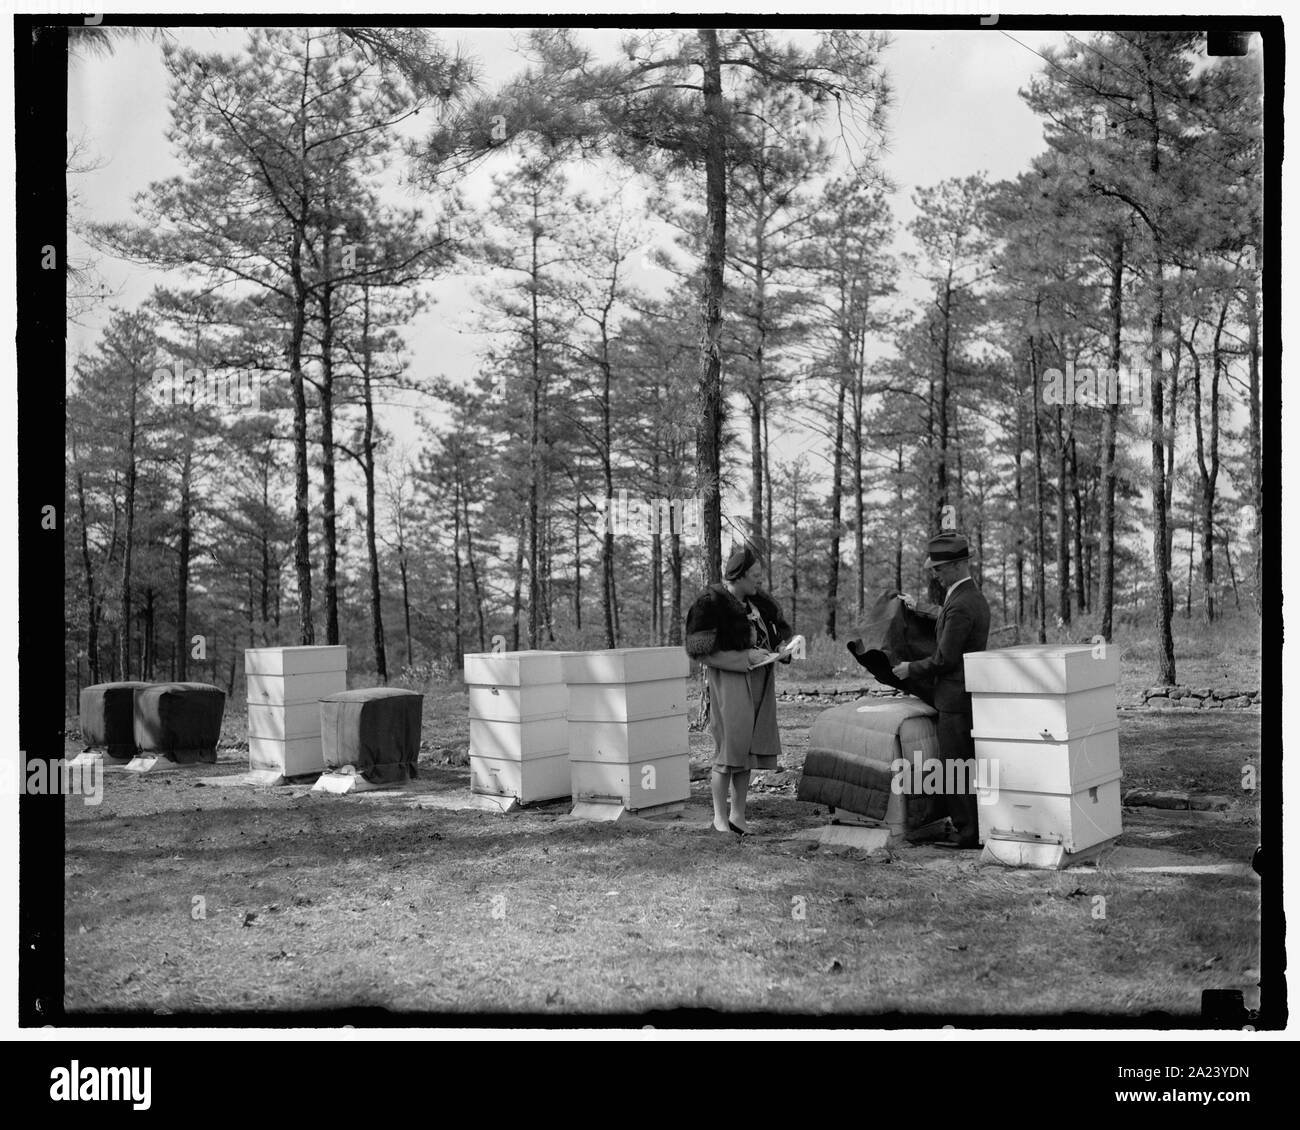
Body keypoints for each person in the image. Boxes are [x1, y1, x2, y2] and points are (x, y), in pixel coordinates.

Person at [891, 532, 990, 849]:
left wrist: (910, 669)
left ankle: (966, 831)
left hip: (954, 697)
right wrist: (919, 607)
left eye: (940, 568)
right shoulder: (969, 596)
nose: (936, 573)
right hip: (966, 694)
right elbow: (948, 621)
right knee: (965, 762)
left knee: (955, 764)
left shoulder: (960, 604)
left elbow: (945, 658)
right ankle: (971, 826)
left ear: (959, 565)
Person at [684, 545, 793, 835]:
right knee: (728, 752)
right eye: (755, 575)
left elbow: (776, 632)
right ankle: (720, 818)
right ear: (740, 576)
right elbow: (701, 652)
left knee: (746, 753)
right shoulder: (711, 603)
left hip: (761, 682)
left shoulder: (761, 603)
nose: (760, 580)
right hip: (730, 683)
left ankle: (738, 816)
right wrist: (744, 658)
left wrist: (781, 647)